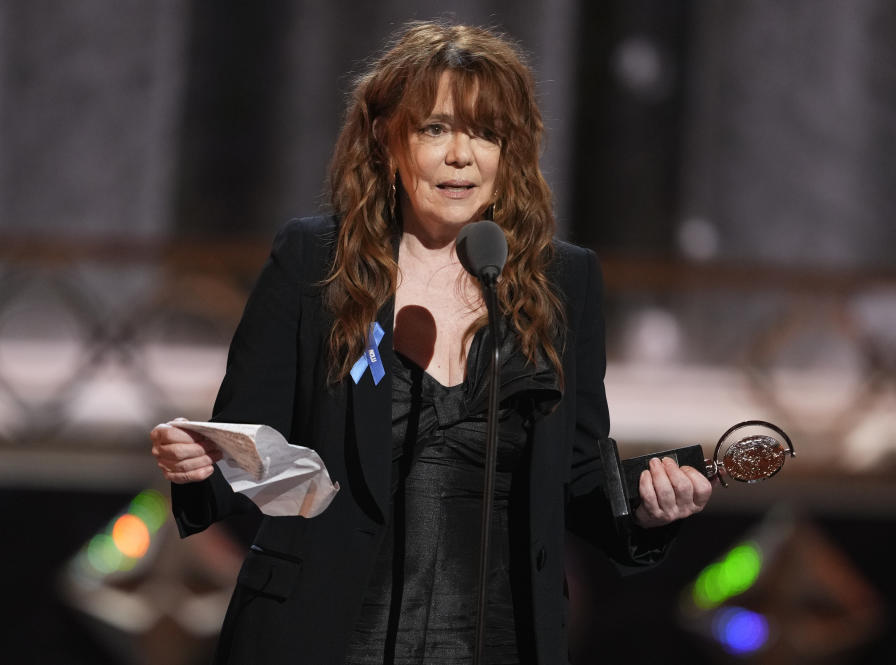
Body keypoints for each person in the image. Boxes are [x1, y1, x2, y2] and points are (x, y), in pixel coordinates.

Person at [150, 20, 712, 665]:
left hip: (496, 635)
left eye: (486, 134)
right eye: (435, 128)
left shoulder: (563, 280)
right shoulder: (315, 261)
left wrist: (647, 504)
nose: (460, 156)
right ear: (388, 140)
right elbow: (248, 436)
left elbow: (576, 474)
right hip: (328, 629)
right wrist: (200, 461)